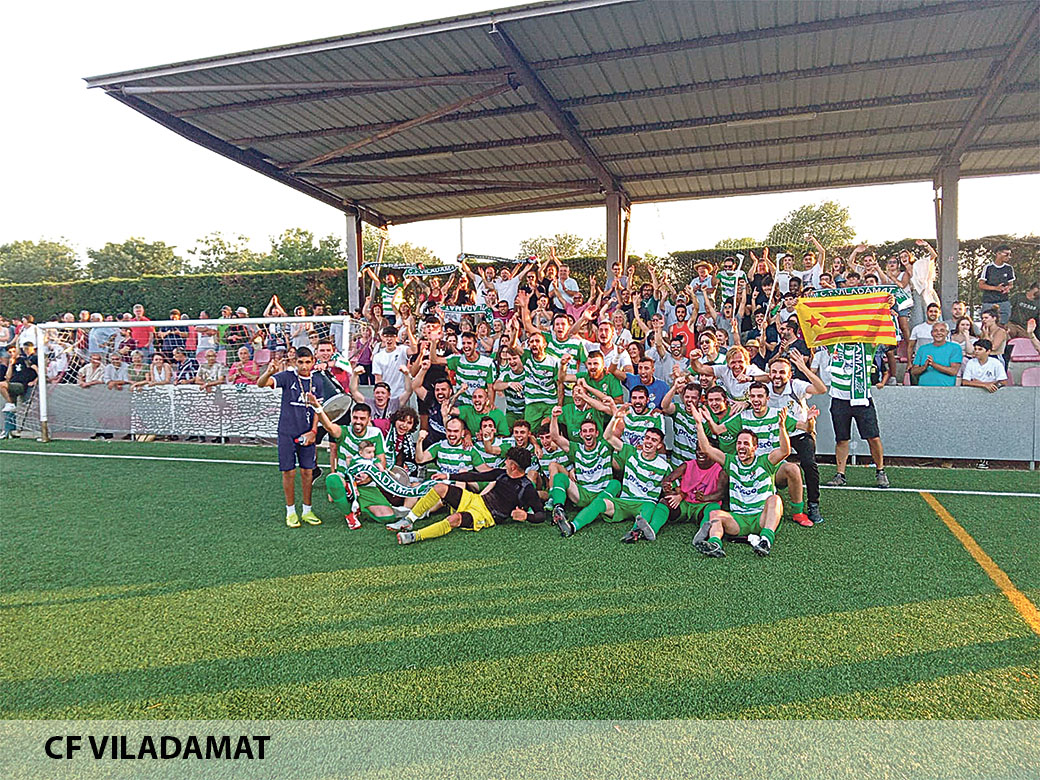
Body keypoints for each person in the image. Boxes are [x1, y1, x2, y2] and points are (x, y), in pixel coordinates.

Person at [689, 405, 791, 557]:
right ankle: (715, 545)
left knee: (775, 499)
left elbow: (785, 451)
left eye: (746, 443)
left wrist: (782, 427)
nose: (741, 446)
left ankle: (765, 541)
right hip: (739, 520)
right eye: (739, 443)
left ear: (755, 447)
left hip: (761, 518)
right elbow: (706, 449)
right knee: (715, 514)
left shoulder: (765, 462)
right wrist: (698, 423)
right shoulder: (731, 461)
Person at [396, 446, 546, 543]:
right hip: (476, 500)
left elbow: (541, 515)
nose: (505, 462)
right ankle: (409, 520)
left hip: (486, 515)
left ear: (513, 466)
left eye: (507, 460)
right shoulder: (501, 473)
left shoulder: (527, 488)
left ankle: (414, 536)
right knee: (440, 488)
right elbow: (475, 476)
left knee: (454, 519)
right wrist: (447, 476)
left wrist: (527, 516)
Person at [570, 413, 670, 543]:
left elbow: (673, 488)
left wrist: (673, 492)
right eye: (647, 438)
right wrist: (616, 417)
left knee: (649, 506)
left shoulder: (664, 466)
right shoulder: (631, 452)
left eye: (654, 440)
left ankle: (635, 533)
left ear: (659, 445)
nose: (649, 442)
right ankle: (572, 526)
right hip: (624, 501)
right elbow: (607, 437)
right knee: (600, 503)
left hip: (644, 503)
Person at [257, 348, 322, 527]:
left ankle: (307, 510)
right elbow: (261, 384)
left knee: (308, 472)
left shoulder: (317, 380)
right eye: (300, 362)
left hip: (307, 433)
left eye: (307, 362)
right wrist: (269, 372)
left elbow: (318, 409)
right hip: (287, 432)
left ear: (313, 361)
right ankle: (291, 512)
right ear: (295, 362)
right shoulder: (287, 376)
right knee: (289, 472)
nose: (304, 366)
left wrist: (314, 431)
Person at [767, 352, 827, 525]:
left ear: (790, 374)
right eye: (774, 372)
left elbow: (821, 389)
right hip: (776, 433)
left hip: (800, 431)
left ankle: (813, 504)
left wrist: (803, 368)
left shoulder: (796, 385)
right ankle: (766, 496)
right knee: (766, 461)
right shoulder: (765, 387)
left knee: (809, 463)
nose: (777, 376)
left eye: (782, 372)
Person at [316, 401, 393, 528]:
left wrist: (368, 478)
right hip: (346, 481)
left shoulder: (375, 433)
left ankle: (357, 505)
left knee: (388, 517)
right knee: (332, 479)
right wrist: (317, 407)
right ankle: (349, 514)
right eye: (355, 417)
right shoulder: (344, 431)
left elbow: (381, 461)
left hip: (367, 484)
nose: (358, 421)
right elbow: (329, 426)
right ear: (351, 417)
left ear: (369, 419)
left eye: (362, 418)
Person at [546, 407, 622, 536]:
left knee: (616, 484)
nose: (588, 434)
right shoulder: (576, 448)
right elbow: (555, 437)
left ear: (597, 433)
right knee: (559, 477)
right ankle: (558, 510)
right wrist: (554, 417)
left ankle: (575, 524)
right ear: (580, 434)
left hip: (602, 494)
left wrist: (616, 414)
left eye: (591, 430)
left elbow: (617, 431)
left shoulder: (605, 445)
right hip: (583, 493)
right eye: (585, 431)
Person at [826, 342, 889, 488]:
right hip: (839, 398)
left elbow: (877, 334)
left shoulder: (866, 346)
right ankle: (840, 474)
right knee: (842, 439)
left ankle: (880, 471)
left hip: (862, 398)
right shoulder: (835, 345)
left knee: (873, 437)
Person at [910, 322, 962, 387]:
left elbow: (953, 371)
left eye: (942, 330)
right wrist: (924, 367)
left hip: (946, 389)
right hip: (923, 388)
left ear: (947, 333)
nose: (938, 333)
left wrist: (934, 365)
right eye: (935, 330)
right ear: (931, 333)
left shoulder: (955, 348)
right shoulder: (923, 349)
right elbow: (913, 371)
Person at [977, 244, 1015, 324]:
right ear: (998, 254)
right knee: (987, 323)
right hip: (989, 301)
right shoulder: (988, 267)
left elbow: (1011, 284)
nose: (1009, 257)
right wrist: (995, 288)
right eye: (1006, 254)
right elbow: (981, 285)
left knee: (1004, 323)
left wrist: (1007, 288)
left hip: (1003, 300)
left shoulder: (1009, 268)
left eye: (1010, 255)